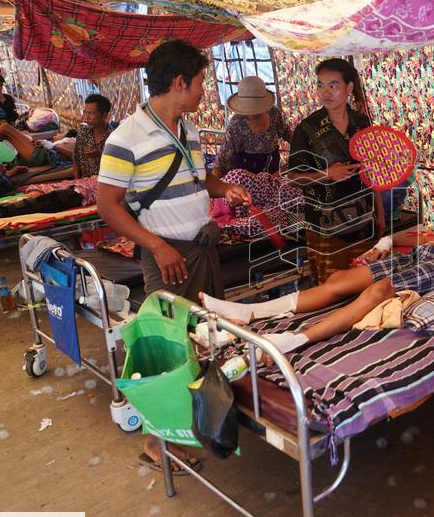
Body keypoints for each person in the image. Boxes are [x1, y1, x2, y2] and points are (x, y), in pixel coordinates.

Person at [96, 40, 251, 475]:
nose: (205, 90)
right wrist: (157, 246)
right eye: (201, 81)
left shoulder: (188, 129)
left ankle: (195, 423)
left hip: (201, 247)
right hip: (168, 255)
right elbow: (108, 206)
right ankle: (156, 443)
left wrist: (224, 189)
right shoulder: (126, 137)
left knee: (204, 340)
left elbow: (199, 179)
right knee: (172, 348)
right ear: (179, 82)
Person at [200, 222, 434, 358]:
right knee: (339, 278)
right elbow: (427, 238)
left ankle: (293, 339)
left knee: (379, 291)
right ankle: (249, 311)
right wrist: (387, 242)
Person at [286, 58, 385, 285]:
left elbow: (372, 171)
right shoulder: (307, 129)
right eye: (320, 85)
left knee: (364, 285)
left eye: (333, 85)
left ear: (349, 88)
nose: (325, 92)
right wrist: (327, 174)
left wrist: (379, 213)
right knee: (331, 291)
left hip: (363, 223)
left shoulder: (362, 123)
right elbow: (293, 178)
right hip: (325, 230)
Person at [208, 76, 302, 239]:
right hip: (244, 188)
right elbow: (221, 165)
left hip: (272, 180)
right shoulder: (236, 125)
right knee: (253, 217)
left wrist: (303, 152)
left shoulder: (274, 115)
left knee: (294, 201)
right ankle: (234, 226)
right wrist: (212, 195)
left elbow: (289, 135)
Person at [71, 94, 113, 179]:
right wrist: (77, 182)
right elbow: (76, 159)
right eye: (85, 112)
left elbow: (118, 167)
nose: (86, 117)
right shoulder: (83, 131)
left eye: (91, 113)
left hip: (105, 185)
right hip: (83, 185)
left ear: (104, 116)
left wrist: (100, 155)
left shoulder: (114, 137)